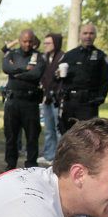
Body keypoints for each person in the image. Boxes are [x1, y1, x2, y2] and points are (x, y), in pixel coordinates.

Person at [2, 29, 44, 169]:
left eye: (30, 41)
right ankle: (10, 166)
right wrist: (25, 69)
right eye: (25, 41)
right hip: (13, 101)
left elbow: (36, 74)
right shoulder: (12, 54)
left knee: (32, 137)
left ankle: (31, 166)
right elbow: (6, 68)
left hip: (30, 102)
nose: (27, 44)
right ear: (20, 41)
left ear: (34, 41)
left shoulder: (38, 57)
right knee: (11, 136)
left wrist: (17, 71)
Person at [59, 24, 108, 136]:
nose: (88, 36)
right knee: (67, 135)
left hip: (88, 103)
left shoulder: (101, 56)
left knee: (88, 135)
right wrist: (58, 75)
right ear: (80, 35)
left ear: (95, 36)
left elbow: (106, 80)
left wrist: (99, 98)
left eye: (91, 33)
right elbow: (58, 76)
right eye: (85, 33)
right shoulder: (70, 55)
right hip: (69, 101)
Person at [39, 33, 65, 164]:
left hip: (57, 99)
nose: (46, 45)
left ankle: (60, 158)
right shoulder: (45, 58)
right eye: (45, 43)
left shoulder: (63, 58)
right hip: (47, 97)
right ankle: (49, 155)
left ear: (56, 43)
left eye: (48, 43)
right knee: (48, 128)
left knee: (58, 128)